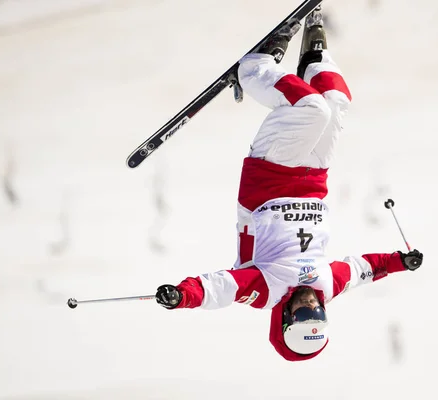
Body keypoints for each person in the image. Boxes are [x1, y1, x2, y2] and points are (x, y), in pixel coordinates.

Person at [155, 5, 423, 362]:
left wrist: (181, 296)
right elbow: (363, 270)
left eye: (303, 315)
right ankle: (315, 57)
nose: (312, 305)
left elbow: (218, 289)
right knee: (335, 103)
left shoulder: (265, 291)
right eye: (319, 314)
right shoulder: (327, 285)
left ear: (285, 319)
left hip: (269, 181)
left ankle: (253, 69)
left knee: (311, 110)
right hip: (314, 179)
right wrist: (400, 261)